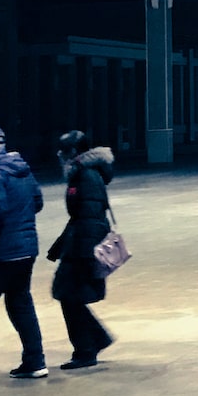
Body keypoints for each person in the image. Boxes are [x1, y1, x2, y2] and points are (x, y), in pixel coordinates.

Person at [48, 131, 115, 370]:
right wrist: (60, 245)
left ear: (74, 152)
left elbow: (90, 216)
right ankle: (94, 341)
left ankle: (87, 349)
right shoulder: (82, 173)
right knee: (68, 294)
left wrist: (86, 252)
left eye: (63, 149)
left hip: (83, 247)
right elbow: (81, 216)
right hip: (79, 242)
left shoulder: (85, 175)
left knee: (68, 293)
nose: (59, 154)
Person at [0, 125, 48, 378]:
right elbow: (37, 201)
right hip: (26, 249)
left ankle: (35, 361)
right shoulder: (22, 169)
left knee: (19, 303)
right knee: (20, 303)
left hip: (1, 252)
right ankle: (35, 361)